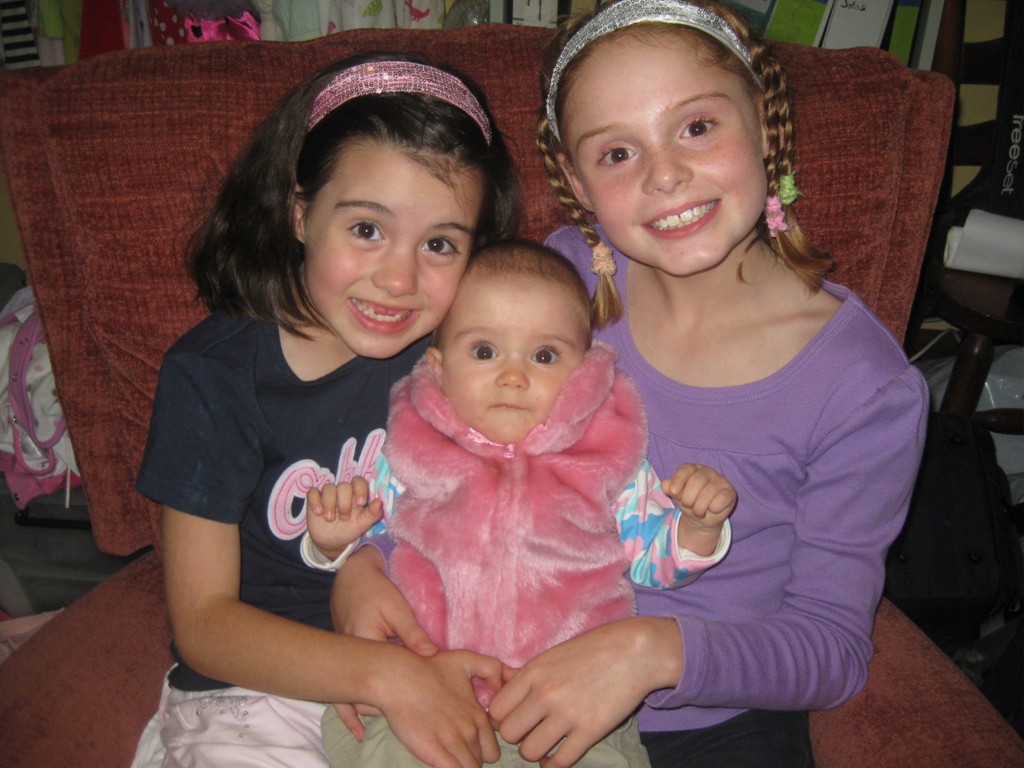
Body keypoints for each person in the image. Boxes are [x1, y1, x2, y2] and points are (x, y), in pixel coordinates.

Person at [329, 2, 930, 767]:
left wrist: (652, 652)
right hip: (483, 685)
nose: (665, 174)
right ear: (577, 182)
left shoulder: (864, 387)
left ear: (765, 127)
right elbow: (436, 448)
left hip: (709, 728)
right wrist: (362, 564)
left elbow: (831, 647)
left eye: (697, 127)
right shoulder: (550, 289)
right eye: (617, 152)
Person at [130, 52, 521, 768]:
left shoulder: (455, 357)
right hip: (256, 691)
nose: (399, 279)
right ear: (301, 212)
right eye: (367, 229)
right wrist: (387, 677)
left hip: (425, 655)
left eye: (439, 244)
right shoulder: (214, 376)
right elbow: (204, 625)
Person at [303, 240, 737, 767]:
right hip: (430, 687)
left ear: (583, 371)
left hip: (569, 697)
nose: (513, 376)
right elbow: (373, 545)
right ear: (438, 367)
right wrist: (334, 542)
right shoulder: (414, 445)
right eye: (484, 352)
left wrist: (698, 526)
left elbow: (654, 561)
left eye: (544, 356)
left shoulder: (606, 454)